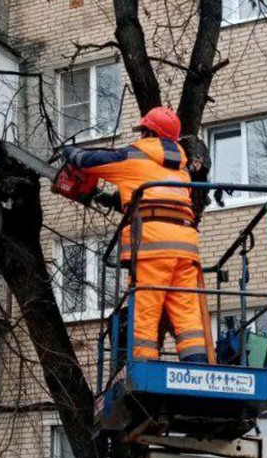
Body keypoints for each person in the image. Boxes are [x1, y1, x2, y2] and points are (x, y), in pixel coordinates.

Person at [61, 107, 210, 363]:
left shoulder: (133, 157)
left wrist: (69, 152)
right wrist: (115, 199)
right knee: (187, 312)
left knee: (147, 311)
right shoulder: (182, 169)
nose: (140, 135)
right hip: (186, 248)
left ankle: (144, 367)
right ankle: (196, 364)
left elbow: (87, 162)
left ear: (149, 132)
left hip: (153, 247)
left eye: (143, 131)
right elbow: (158, 199)